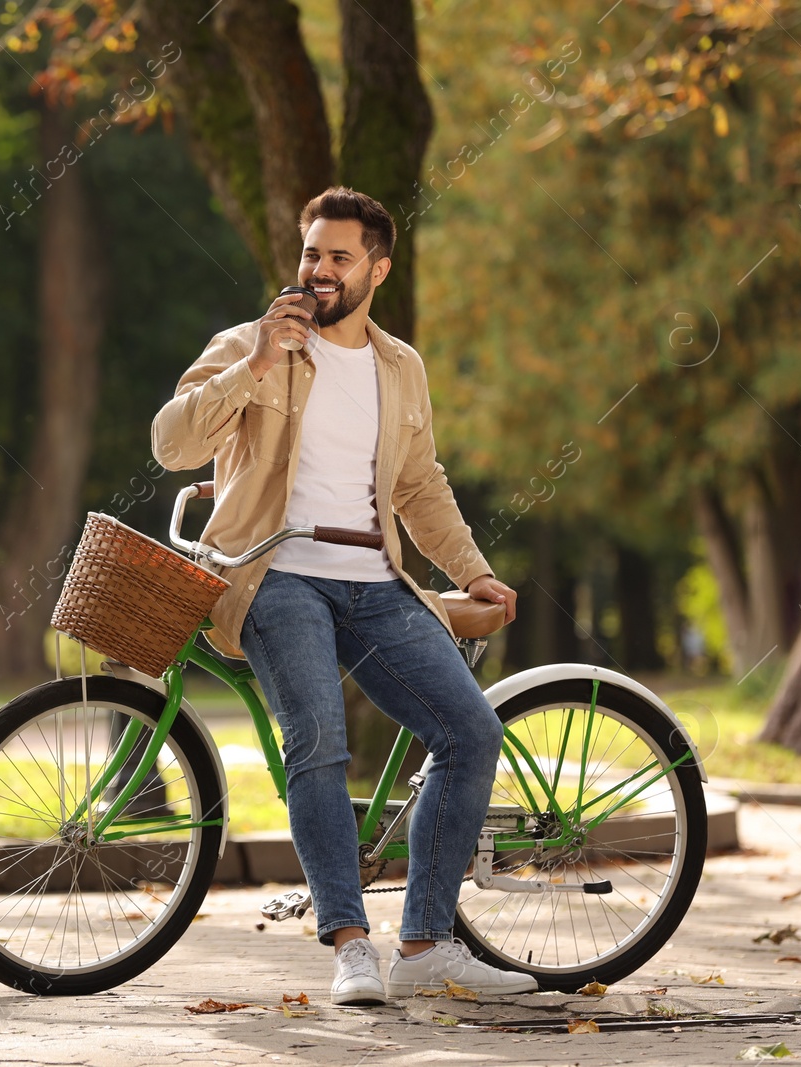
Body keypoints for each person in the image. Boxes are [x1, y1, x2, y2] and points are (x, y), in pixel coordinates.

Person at [150, 187, 537, 1005]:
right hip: (273, 571)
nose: (319, 272)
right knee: (318, 738)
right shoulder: (251, 343)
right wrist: (256, 359)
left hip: (377, 582)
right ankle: (350, 942)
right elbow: (172, 441)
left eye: (338, 257)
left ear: (377, 269)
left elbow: (419, 484)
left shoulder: (400, 367)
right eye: (310, 255)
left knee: (470, 730)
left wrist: (470, 570)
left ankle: (427, 941)